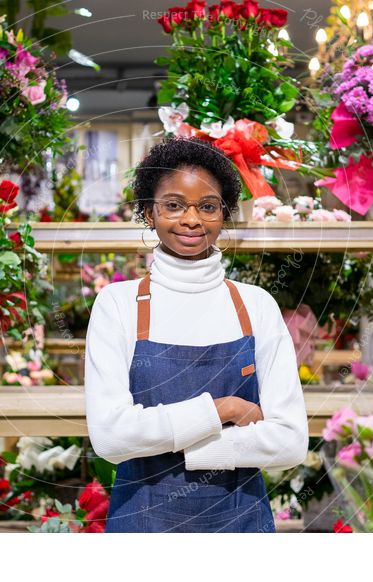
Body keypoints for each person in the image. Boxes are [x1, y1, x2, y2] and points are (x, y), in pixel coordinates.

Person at [85, 136, 308, 533]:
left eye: (207, 207)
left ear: (223, 214)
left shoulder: (256, 306)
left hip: (240, 525)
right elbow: (110, 438)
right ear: (149, 213)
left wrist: (172, 446)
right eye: (173, 205)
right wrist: (224, 410)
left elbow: (290, 441)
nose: (191, 219)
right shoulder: (117, 305)